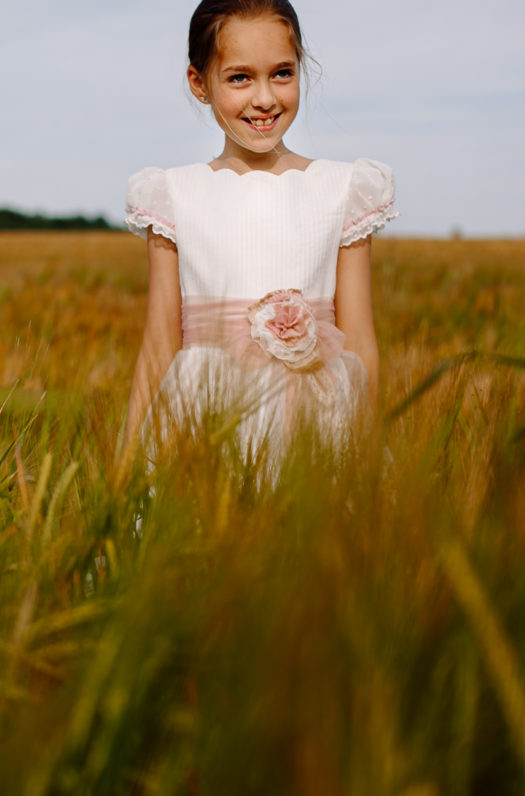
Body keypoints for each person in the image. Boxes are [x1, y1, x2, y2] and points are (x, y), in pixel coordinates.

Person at [117, 0, 397, 482]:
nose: (265, 98)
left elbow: (361, 347)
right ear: (199, 84)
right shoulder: (174, 194)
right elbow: (158, 347)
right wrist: (121, 474)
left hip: (321, 430)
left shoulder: (343, 189)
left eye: (282, 73)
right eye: (240, 78)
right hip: (202, 428)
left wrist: (372, 464)